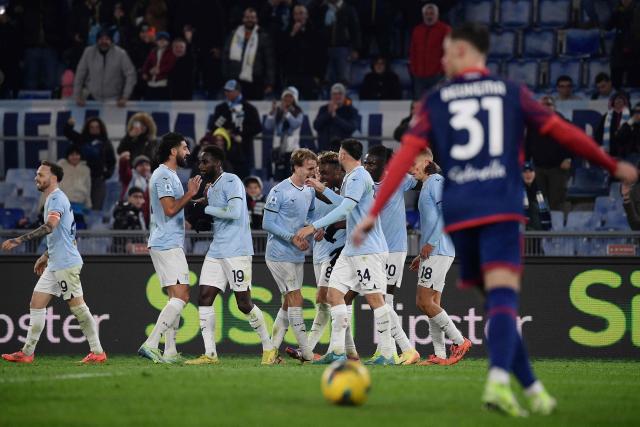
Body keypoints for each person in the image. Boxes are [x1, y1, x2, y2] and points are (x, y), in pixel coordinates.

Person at [353, 23, 637, 416]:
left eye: (448, 51)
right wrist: (610, 164)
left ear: (467, 51)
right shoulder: (511, 93)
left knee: (495, 304)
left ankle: (533, 390)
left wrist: (372, 211)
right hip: (499, 208)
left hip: (464, 216)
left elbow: (403, 156)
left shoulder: (439, 99)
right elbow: (563, 133)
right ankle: (499, 383)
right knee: (502, 301)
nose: (442, 58)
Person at [296, 139, 414, 366]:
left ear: (342, 154)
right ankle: (338, 350)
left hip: (368, 249)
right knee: (333, 294)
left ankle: (388, 352)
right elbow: (347, 203)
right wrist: (322, 189)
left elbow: (347, 208)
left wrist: (313, 226)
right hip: (352, 250)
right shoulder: (353, 177)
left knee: (375, 299)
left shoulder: (359, 176)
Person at [1, 161, 106, 364]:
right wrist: (46, 255)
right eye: (37, 174)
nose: (36, 178)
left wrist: (18, 240)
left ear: (54, 178)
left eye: (41, 174)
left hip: (66, 264)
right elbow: (65, 235)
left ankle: (98, 351)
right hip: (56, 262)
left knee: (78, 308)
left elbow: (50, 227)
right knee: (36, 303)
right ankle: (27, 352)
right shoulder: (52, 198)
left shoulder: (57, 198)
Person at [184, 146, 277, 365]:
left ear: (217, 163)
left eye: (205, 162)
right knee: (204, 297)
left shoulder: (232, 180)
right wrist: (204, 206)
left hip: (236, 250)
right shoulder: (211, 187)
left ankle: (269, 349)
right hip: (217, 249)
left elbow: (234, 212)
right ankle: (210, 354)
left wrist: (206, 211)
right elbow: (220, 208)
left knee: (243, 304)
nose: (201, 166)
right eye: (200, 162)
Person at [138, 132, 202, 364]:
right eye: (184, 147)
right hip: (166, 243)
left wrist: (194, 201)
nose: (188, 152)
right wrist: (190, 194)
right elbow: (170, 209)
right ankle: (151, 343)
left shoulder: (170, 175)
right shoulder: (164, 175)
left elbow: (174, 207)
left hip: (168, 242)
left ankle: (170, 351)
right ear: (173, 151)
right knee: (183, 296)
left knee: (175, 297)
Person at [409, 148, 469, 365]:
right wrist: (422, 253)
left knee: (423, 301)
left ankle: (460, 341)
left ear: (426, 162)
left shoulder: (435, 181)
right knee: (432, 303)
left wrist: (432, 243)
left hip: (440, 249)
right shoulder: (428, 184)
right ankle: (440, 355)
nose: (410, 168)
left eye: (414, 163)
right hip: (435, 250)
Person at [362, 144, 421, 364]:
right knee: (380, 301)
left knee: (385, 300)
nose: (367, 166)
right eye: (365, 162)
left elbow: (421, 176)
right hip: (375, 249)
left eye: (371, 163)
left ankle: (404, 349)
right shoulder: (364, 183)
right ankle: (385, 350)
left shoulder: (398, 179)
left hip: (394, 248)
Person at [262, 148, 318, 363]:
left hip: (296, 254)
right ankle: (307, 353)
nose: (313, 173)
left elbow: (311, 213)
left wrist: (313, 228)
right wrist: (291, 237)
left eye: (315, 169)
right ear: (296, 167)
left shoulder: (309, 190)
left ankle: (270, 353)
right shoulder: (279, 191)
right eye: (309, 168)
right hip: (278, 254)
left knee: (288, 303)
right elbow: (267, 223)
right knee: (296, 299)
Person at [291, 151, 348, 360]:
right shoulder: (312, 191)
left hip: (336, 251)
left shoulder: (343, 193)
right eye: (318, 171)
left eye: (324, 172)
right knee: (325, 303)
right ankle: (342, 350)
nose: (320, 175)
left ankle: (307, 349)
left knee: (324, 297)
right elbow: (309, 216)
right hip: (319, 252)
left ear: (337, 171)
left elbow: (353, 214)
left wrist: (330, 225)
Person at [525, 96, 572, 211]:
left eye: (549, 104)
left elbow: (572, 143)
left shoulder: (563, 122)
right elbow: (528, 145)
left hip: (558, 169)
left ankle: (557, 227)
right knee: (539, 201)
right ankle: (541, 226)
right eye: (543, 105)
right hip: (538, 168)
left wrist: (568, 158)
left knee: (556, 201)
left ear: (554, 107)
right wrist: (526, 164)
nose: (546, 107)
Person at [208, 79, 262, 178]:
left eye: (229, 91)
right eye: (225, 91)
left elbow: (257, 128)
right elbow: (214, 127)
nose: (226, 93)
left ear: (238, 91)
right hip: (224, 154)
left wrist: (240, 133)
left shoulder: (249, 108)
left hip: (243, 152)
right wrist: (228, 112)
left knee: (242, 182)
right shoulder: (221, 108)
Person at [73, 26, 136, 106]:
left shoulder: (121, 54)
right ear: (97, 40)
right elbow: (80, 74)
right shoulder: (88, 52)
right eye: (101, 39)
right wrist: (77, 96)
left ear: (111, 41)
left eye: (107, 39)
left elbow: (131, 75)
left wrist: (125, 97)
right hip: (93, 98)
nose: (104, 42)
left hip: (115, 101)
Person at [63, 116, 116, 211]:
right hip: (81, 177)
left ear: (101, 128)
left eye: (97, 127)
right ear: (88, 128)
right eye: (92, 127)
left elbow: (111, 161)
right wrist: (69, 125)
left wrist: (107, 174)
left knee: (96, 207)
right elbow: (68, 133)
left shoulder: (105, 143)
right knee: (80, 205)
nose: (94, 129)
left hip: (98, 179)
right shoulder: (82, 139)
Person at [222, 7, 275, 100]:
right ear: (243, 19)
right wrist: (225, 77)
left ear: (257, 19)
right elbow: (226, 56)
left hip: (256, 80)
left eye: (252, 17)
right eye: (247, 17)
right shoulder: (233, 34)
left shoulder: (263, 36)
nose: (249, 20)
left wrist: (270, 82)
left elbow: (269, 61)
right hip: (236, 79)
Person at [409, 4, 451, 99]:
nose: (429, 16)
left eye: (432, 14)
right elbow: (413, 51)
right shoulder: (417, 30)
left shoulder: (445, 30)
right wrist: (414, 69)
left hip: (438, 75)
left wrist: (442, 70)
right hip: (419, 75)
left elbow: (449, 51)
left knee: (438, 102)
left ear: (437, 15)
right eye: (426, 14)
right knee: (420, 104)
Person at [282, 4, 322, 100]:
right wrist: (293, 34)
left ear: (307, 15)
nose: (298, 17)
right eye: (296, 14)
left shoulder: (315, 31)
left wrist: (318, 76)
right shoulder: (287, 32)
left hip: (309, 75)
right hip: (292, 75)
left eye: (301, 13)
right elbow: (283, 52)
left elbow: (320, 55)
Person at [264, 86, 304, 181]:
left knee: (292, 176)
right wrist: (272, 113)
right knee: (278, 177)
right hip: (278, 149)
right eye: (285, 97)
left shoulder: (298, 112)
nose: (287, 99)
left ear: (294, 98)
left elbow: (295, 124)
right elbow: (268, 126)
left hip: (292, 150)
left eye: (290, 97)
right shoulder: (278, 111)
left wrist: (287, 113)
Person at [318, 0, 361, 84]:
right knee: (326, 79)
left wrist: (356, 49)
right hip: (326, 49)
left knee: (343, 79)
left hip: (343, 49)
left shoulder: (349, 9)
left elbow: (355, 30)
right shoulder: (323, 9)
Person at [313, 83, 360, 152]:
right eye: (335, 94)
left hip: (344, 151)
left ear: (344, 95)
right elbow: (316, 125)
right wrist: (328, 114)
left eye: (340, 93)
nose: (337, 96)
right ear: (331, 96)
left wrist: (335, 117)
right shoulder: (324, 109)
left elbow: (351, 128)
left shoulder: (351, 110)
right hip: (325, 150)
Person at [141, 31, 176, 100]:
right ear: (156, 41)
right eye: (160, 39)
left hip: (163, 84)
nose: (162, 41)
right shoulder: (153, 51)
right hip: (151, 84)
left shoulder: (171, 52)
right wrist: (145, 72)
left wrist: (159, 70)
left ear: (168, 42)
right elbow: (147, 64)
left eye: (164, 39)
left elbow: (170, 65)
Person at [58, 145, 92, 213]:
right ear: (67, 156)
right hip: (62, 205)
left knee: (80, 223)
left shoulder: (85, 170)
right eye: (72, 155)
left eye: (77, 154)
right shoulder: (60, 168)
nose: (74, 157)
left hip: (80, 204)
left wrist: (88, 204)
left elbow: (88, 187)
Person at [522, 162, 551, 231]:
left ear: (534, 173)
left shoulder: (540, 192)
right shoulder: (516, 192)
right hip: (522, 233)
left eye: (530, 171)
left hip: (539, 233)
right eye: (525, 172)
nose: (528, 174)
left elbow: (546, 213)